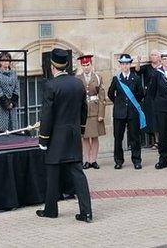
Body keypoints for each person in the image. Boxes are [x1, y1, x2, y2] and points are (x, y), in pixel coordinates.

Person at [37, 48, 93, 223]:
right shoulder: (78, 83)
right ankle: (87, 212)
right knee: (78, 174)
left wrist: (43, 139)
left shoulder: (51, 86)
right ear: (67, 65)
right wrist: (81, 129)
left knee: (52, 175)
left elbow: (47, 115)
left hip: (56, 137)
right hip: (74, 134)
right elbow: (84, 109)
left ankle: (51, 210)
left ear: (53, 67)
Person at [107, 54, 145, 170]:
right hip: (119, 113)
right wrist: (118, 103)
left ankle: (136, 160)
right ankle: (118, 160)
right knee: (118, 138)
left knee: (134, 137)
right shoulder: (116, 79)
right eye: (123, 64)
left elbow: (141, 94)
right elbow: (110, 94)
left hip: (132, 112)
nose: (125, 66)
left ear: (130, 64)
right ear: (120, 65)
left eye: (127, 64)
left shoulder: (136, 78)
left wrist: (133, 104)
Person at [78, 55, 106, 169]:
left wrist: (101, 114)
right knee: (85, 138)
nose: (86, 67)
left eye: (88, 65)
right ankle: (86, 160)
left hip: (95, 111)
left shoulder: (98, 77)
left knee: (94, 137)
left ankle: (93, 160)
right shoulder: (78, 79)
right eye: (84, 65)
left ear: (91, 65)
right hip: (83, 112)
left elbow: (102, 97)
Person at [0, 52, 20, 132]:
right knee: (1, 132)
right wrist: (6, 103)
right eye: (3, 60)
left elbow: (17, 88)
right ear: (0, 62)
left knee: (12, 130)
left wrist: (12, 102)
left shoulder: (14, 73)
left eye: (7, 60)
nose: (6, 62)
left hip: (11, 105)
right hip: (0, 105)